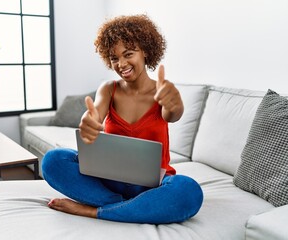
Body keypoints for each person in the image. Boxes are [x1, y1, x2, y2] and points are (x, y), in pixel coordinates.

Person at [42, 14, 203, 224]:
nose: (121, 64)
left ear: (145, 51)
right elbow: (95, 113)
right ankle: (128, 207)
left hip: (152, 184)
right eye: (114, 58)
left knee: (189, 192)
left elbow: (172, 114)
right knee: (53, 160)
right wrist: (89, 121)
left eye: (128, 54)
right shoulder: (109, 89)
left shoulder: (163, 91)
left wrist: (175, 104)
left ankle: (95, 211)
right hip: (109, 180)